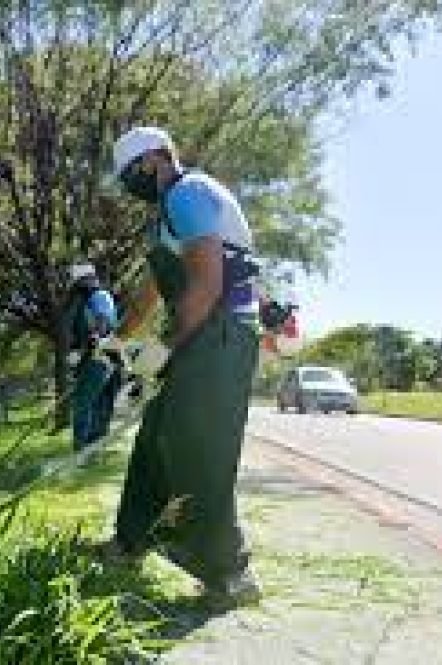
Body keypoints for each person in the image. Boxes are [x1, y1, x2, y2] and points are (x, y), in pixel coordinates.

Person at [101, 126, 263, 609]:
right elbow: (152, 294)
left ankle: (229, 577)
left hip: (220, 334)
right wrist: (116, 341)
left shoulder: (188, 194)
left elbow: (208, 284)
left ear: (153, 159)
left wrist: (164, 351)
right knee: (155, 439)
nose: (130, 184)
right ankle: (128, 544)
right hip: (204, 334)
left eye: (132, 173)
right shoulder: (167, 215)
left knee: (199, 454)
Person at [64, 264, 124, 452]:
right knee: (99, 403)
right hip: (101, 356)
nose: (77, 288)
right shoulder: (88, 300)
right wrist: (75, 353)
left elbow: (102, 321)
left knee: (83, 402)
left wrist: (93, 340)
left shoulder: (99, 296)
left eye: (78, 284)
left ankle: (82, 448)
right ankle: (94, 448)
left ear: (87, 280)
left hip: (100, 356)